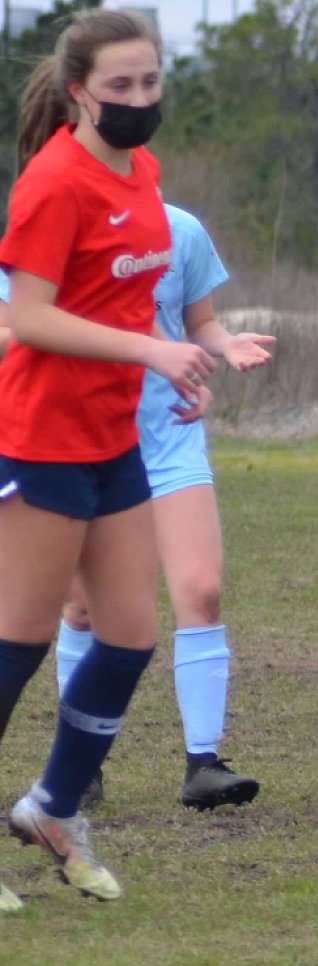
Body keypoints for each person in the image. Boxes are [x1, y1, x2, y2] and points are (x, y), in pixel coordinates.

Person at [0, 9, 214, 909]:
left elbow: (130, 302)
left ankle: (53, 809)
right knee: (20, 639)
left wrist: (189, 363)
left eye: (150, 83)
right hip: (41, 435)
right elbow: (31, 316)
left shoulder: (146, 172)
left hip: (114, 435)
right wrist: (152, 353)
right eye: (118, 87)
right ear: (79, 90)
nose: (137, 101)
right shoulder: (53, 184)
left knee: (129, 634)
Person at [2, 203, 278, 811]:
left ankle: (204, 763)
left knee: (201, 590)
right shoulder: (52, 228)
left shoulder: (179, 230)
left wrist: (221, 344)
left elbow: (196, 323)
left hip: (170, 438)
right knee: (79, 611)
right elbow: (14, 329)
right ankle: (81, 767)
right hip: (86, 440)